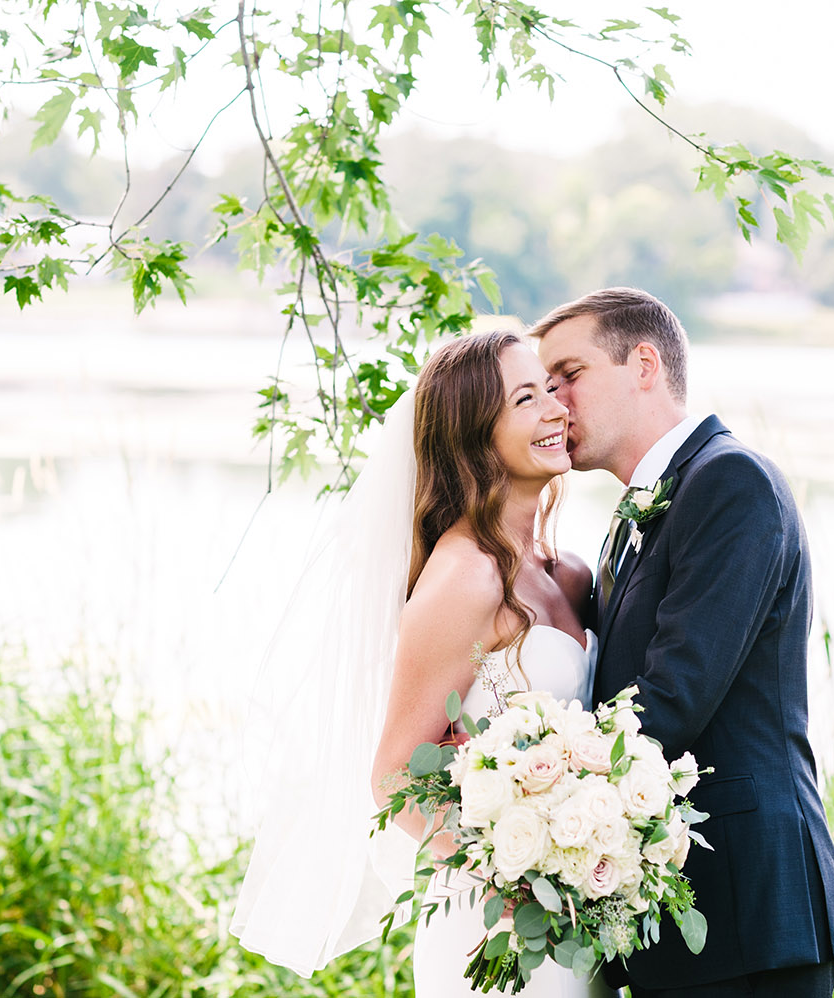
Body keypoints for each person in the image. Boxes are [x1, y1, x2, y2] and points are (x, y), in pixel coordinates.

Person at [231, 330, 613, 998]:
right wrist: (516, 879)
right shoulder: (465, 577)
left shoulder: (569, 571)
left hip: (579, 920)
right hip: (496, 931)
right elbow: (394, 773)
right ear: (474, 436)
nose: (556, 409)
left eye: (551, 389)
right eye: (526, 399)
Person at [534, 288, 834, 998]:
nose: (554, 400)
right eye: (543, 384)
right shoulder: (636, 512)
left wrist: (529, 803)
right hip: (677, 920)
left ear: (644, 363)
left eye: (569, 374)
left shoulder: (730, 481)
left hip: (746, 914)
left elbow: (671, 698)